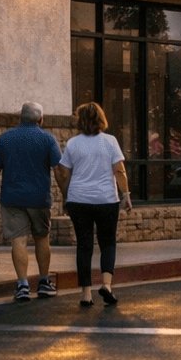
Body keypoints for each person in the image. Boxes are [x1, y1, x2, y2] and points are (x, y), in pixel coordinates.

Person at [56, 102, 132, 308]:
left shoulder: (73, 143)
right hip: (106, 199)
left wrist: (66, 195)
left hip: (78, 200)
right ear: (101, 119)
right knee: (107, 243)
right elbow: (119, 170)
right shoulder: (110, 141)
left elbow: (63, 173)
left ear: (80, 120)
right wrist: (126, 194)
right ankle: (106, 285)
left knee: (84, 245)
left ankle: (85, 294)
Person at [0, 101, 62, 302]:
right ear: (41, 119)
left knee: (18, 240)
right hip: (39, 198)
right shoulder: (48, 139)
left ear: (20, 118)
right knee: (41, 237)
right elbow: (59, 169)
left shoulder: (5, 138)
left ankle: (22, 285)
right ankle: (44, 282)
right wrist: (67, 194)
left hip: (12, 199)